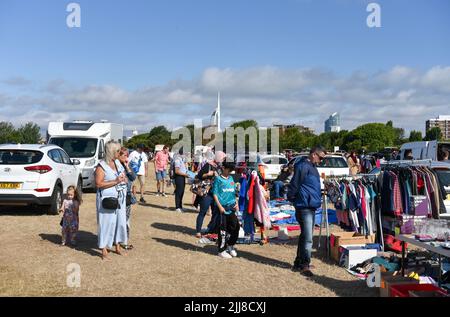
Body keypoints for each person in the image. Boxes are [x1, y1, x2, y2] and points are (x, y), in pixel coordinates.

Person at [288, 146, 326, 277]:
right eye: (320, 158)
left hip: (310, 206)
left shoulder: (312, 167)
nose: (321, 161)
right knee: (308, 237)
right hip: (304, 206)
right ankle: (304, 265)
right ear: (314, 154)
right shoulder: (303, 166)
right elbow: (295, 184)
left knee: (305, 235)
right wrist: (292, 199)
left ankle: (299, 263)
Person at [95, 141, 128, 260]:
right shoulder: (101, 166)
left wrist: (124, 179)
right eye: (118, 151)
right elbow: (98, 184)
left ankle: (117, 245)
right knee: (106, 223)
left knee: (120, 222)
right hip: (107, 199)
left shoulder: (118, 163)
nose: (120, 153)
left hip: (120, 198)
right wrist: (116, 181)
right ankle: (104, 249)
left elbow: (123, 175)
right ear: (112, 151)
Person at [194, 151, 226, 238]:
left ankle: (211, 229)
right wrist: (208, 174)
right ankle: (198, 231)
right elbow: (199, 175)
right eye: (222, 158)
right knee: (203, 212)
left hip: (216, 194)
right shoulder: (208, 165)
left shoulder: (220, 167)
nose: (223, 160)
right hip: (207, 193)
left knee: (216, 213)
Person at [212, 162, 240, 259]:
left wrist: (236, 203)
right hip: (222, 208)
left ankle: (230, 245)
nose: (229, 172)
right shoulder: (218, 179)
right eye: (228, 170)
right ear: (224, 168)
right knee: (222, 230)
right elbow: (214, 194)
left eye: (231, 171)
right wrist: (220, 207)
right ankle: (221, 250)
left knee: (236, 227)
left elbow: (234, 192)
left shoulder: (231, 179)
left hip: (231, 207)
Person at [118, 147, 136, 250]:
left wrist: (127, 166)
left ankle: (124, 241)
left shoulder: (127, 166)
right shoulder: (114, 166)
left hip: (127, 196)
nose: (126, 157)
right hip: (118, 195)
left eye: (127, 155)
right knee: (118, 219)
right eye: (124, 155)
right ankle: (116, 240)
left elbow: (133, 177)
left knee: (126, 219)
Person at [174, 148, 189, 212]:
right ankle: (177, 207)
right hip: (179, 177)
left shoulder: (182, 159)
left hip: (182, 177)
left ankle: (180, 206)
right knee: (178, 192)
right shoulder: (177, 160)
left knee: (182, 192)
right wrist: (184, 175)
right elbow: (176, 171)